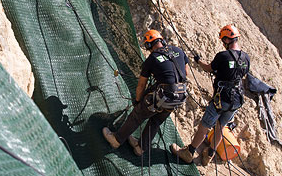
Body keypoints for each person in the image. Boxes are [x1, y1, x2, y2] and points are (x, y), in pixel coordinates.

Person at [170, 24, 250, 166]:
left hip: (222, 98)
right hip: (237, 99)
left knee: (205, 125)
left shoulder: (223, 56)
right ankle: (210, 155)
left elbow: (208, 68)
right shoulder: (246, 58)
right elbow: (240, 74)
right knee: (221, 126)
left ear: (226, 39)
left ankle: (189, 152)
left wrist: (198, 61)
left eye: (223, 40)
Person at [102, 29, 189, 156]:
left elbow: (141, 85)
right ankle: (140, 148)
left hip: (164, 94)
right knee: (156, 120)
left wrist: (138, 101)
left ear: (148, 45)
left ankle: (116, 139)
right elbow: (185, 73)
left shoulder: (152, 59)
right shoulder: (178, 51)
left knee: (138, 114)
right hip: (180, 96)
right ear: (162, 40)